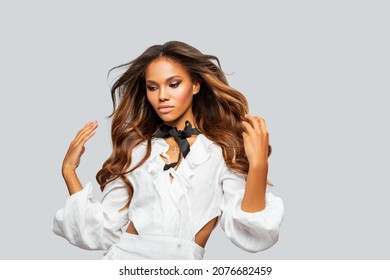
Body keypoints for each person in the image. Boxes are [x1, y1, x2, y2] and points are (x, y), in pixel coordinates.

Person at [51, 41, 284, 260]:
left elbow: (254, 235)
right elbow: (100, 230)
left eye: (173, 84)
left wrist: (258, 165)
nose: (162, 96)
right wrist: (69, 170)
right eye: (153, 87)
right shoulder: (138, 150)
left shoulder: (221, 151)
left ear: (195, 85)